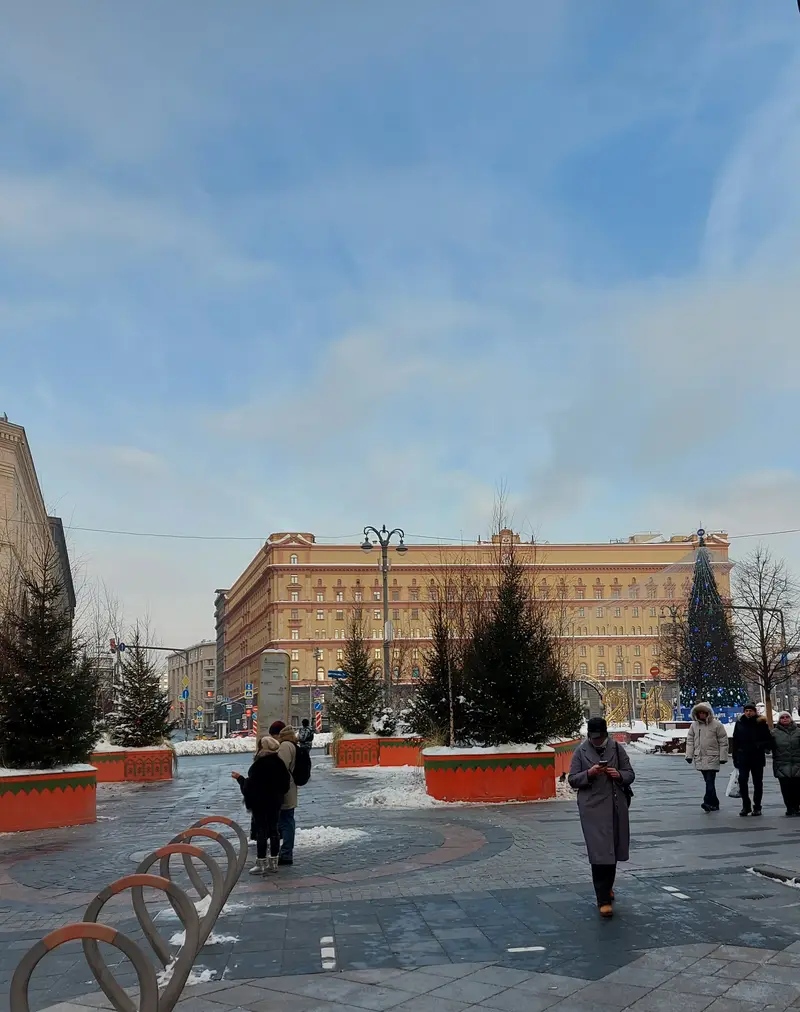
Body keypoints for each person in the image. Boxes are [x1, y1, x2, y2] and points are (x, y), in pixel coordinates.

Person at [568, 717, 635, 919]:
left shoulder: (616, 749)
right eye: (593, 737)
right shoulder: (581, 751)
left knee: (612, 851)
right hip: (592, 809)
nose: (596, 741)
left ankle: (607, 887)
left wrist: (618, 774)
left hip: (615, 806)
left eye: (600, 737)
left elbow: (630, 774)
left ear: (606, 734)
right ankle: (603, 899)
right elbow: (572, 779)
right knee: (599, 853)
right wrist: (589, 773)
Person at [231, 735, 290, 875]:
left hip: (260, 803)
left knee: (261, 831)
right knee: (274, 830)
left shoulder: (258, 765)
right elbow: (285, 785)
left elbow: (250, 787)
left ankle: (261, 863)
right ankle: (274, 862)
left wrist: (240, 779)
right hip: (275, 802)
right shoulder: (280, 763)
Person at [685, 702, 729, 812]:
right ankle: (715, 803)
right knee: (708, 782)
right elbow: (690, 741)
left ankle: (707, 802)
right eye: (699, 713)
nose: (701, 715)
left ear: (708, 713)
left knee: (710, 781)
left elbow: (723, 741)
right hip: (700, 757)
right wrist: (689, 755)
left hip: (712, 756)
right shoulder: (694, 726)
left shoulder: (716, 725)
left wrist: (723, 757)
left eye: (703, 713)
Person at [732, 701, 772, 816]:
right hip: (743, 756)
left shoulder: (761, 723)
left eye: (750, 711)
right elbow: (735, 740)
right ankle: (746, 805)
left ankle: (757, 806)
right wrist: (735, 756)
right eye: (746, 711)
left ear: (755, 712)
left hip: (757, 757)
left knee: (757, 783)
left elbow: (768, 740)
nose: (748, 713)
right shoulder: (740, 723)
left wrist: (759, 745)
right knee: (742, 780)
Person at [270, 720, 300, 866]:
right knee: (287, 820)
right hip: (290, 787)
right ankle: (285, 852)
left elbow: (280, 767)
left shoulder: (285, 746)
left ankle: (286, 853)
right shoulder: (292, 744)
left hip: (285, 789)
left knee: (286, 821)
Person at [771, 712, 800, 817]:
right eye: (782, 717)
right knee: (786, 788)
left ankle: (797, 807)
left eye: (787, 717)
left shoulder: (798, 731)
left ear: (791, 718)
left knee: (797, 788)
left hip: (797, 763)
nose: (785, 719)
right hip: (782, 764)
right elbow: (768, 746)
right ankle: (789, 808)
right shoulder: (773, 733)